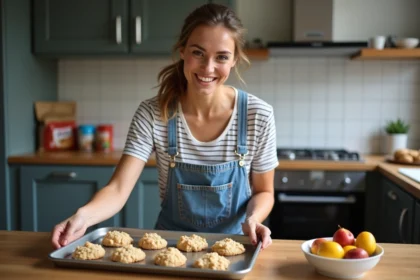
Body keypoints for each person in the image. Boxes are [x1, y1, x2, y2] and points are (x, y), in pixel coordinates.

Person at [51, 3, 278, 251]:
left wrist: (253, 219)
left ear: (234, 59)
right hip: (170, 248)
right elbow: (118, 189)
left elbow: (264, 191)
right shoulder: (153, 114)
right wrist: (82, 216)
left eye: (221, 57)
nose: (208, 67)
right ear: (182, 51)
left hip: (236, 247)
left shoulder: (258, 115)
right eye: (198, 53)